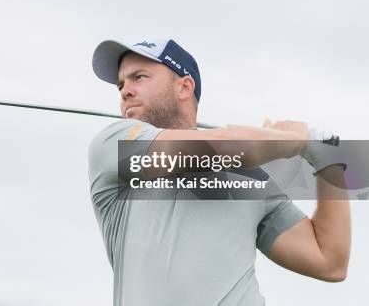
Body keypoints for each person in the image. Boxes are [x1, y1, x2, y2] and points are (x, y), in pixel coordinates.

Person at [88, 39, 351, 306]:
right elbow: (226, 145)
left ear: (184, 87)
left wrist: (327, 159)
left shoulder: (250, 175)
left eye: (139, 77)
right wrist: (297, 140)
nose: (125, 91)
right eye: (121, 85)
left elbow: (329, 261)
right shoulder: (116, 145)